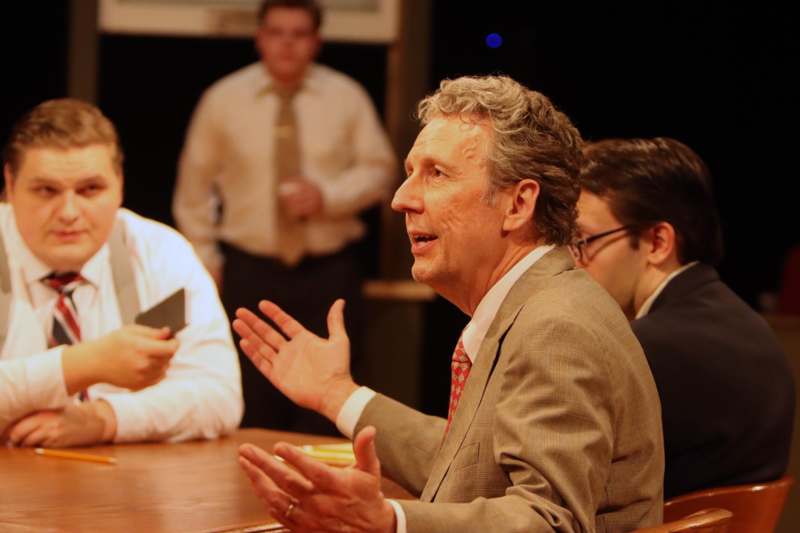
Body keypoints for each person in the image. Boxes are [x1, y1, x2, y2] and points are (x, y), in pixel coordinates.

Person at [232, 75, 664, 532]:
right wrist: (337, 393)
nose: (401, 199)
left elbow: (548, 521)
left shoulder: (557, 326)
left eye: (436, 174)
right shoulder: (538, 303)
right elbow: (469, 460)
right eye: (409, 173)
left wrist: (391, 523)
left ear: (518, 204)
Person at [173, 0, 396, 434]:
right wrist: (204, 259)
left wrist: (328, 197)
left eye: (299, 34)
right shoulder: (223, 99)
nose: (287, 44)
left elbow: (380, 170)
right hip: (248, 271)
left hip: (327, 272)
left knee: (329, 404)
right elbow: (193, 187)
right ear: (260, 38)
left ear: (316, 41)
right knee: (250, 401)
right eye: (277, 33)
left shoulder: (346, 97)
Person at [0, 98, 242, 447]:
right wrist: (80, 365)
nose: (68, 212)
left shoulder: (161, 252)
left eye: (90, 190)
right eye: (46, 190)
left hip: (123, 487)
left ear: (120, 184)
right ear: (10, 184)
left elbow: (219, 396)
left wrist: (103, 418)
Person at [573, 137, 795, 498]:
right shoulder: (741, 322)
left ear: (658, 242)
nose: (572, 261)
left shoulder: (648, 347)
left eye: (583, 240)